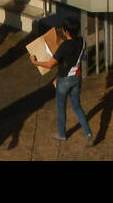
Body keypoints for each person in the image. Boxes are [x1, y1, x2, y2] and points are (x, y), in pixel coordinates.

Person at [32, 17, 93, 145]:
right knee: (76, 106)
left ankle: (61, 134)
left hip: (64, 80)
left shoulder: (65, 46)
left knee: (61, 106)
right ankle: (87, 133)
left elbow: (49, 65)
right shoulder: (82, 41)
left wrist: (35, 61)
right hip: (77, 78)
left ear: (66, 31)